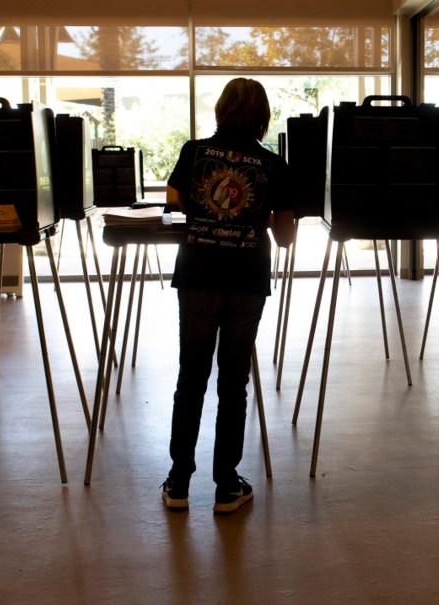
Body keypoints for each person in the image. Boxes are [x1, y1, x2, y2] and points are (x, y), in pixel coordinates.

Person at [161, 78, 295, 513]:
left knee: (190, 380)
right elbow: (287, 236)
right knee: (233, 384)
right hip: (245, 282)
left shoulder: (193, 152)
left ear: (221, 109)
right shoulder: (274, 164)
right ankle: (226, 487)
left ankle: (178, 483)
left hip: (198, 276)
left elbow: (175, 206)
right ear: (261, 116)